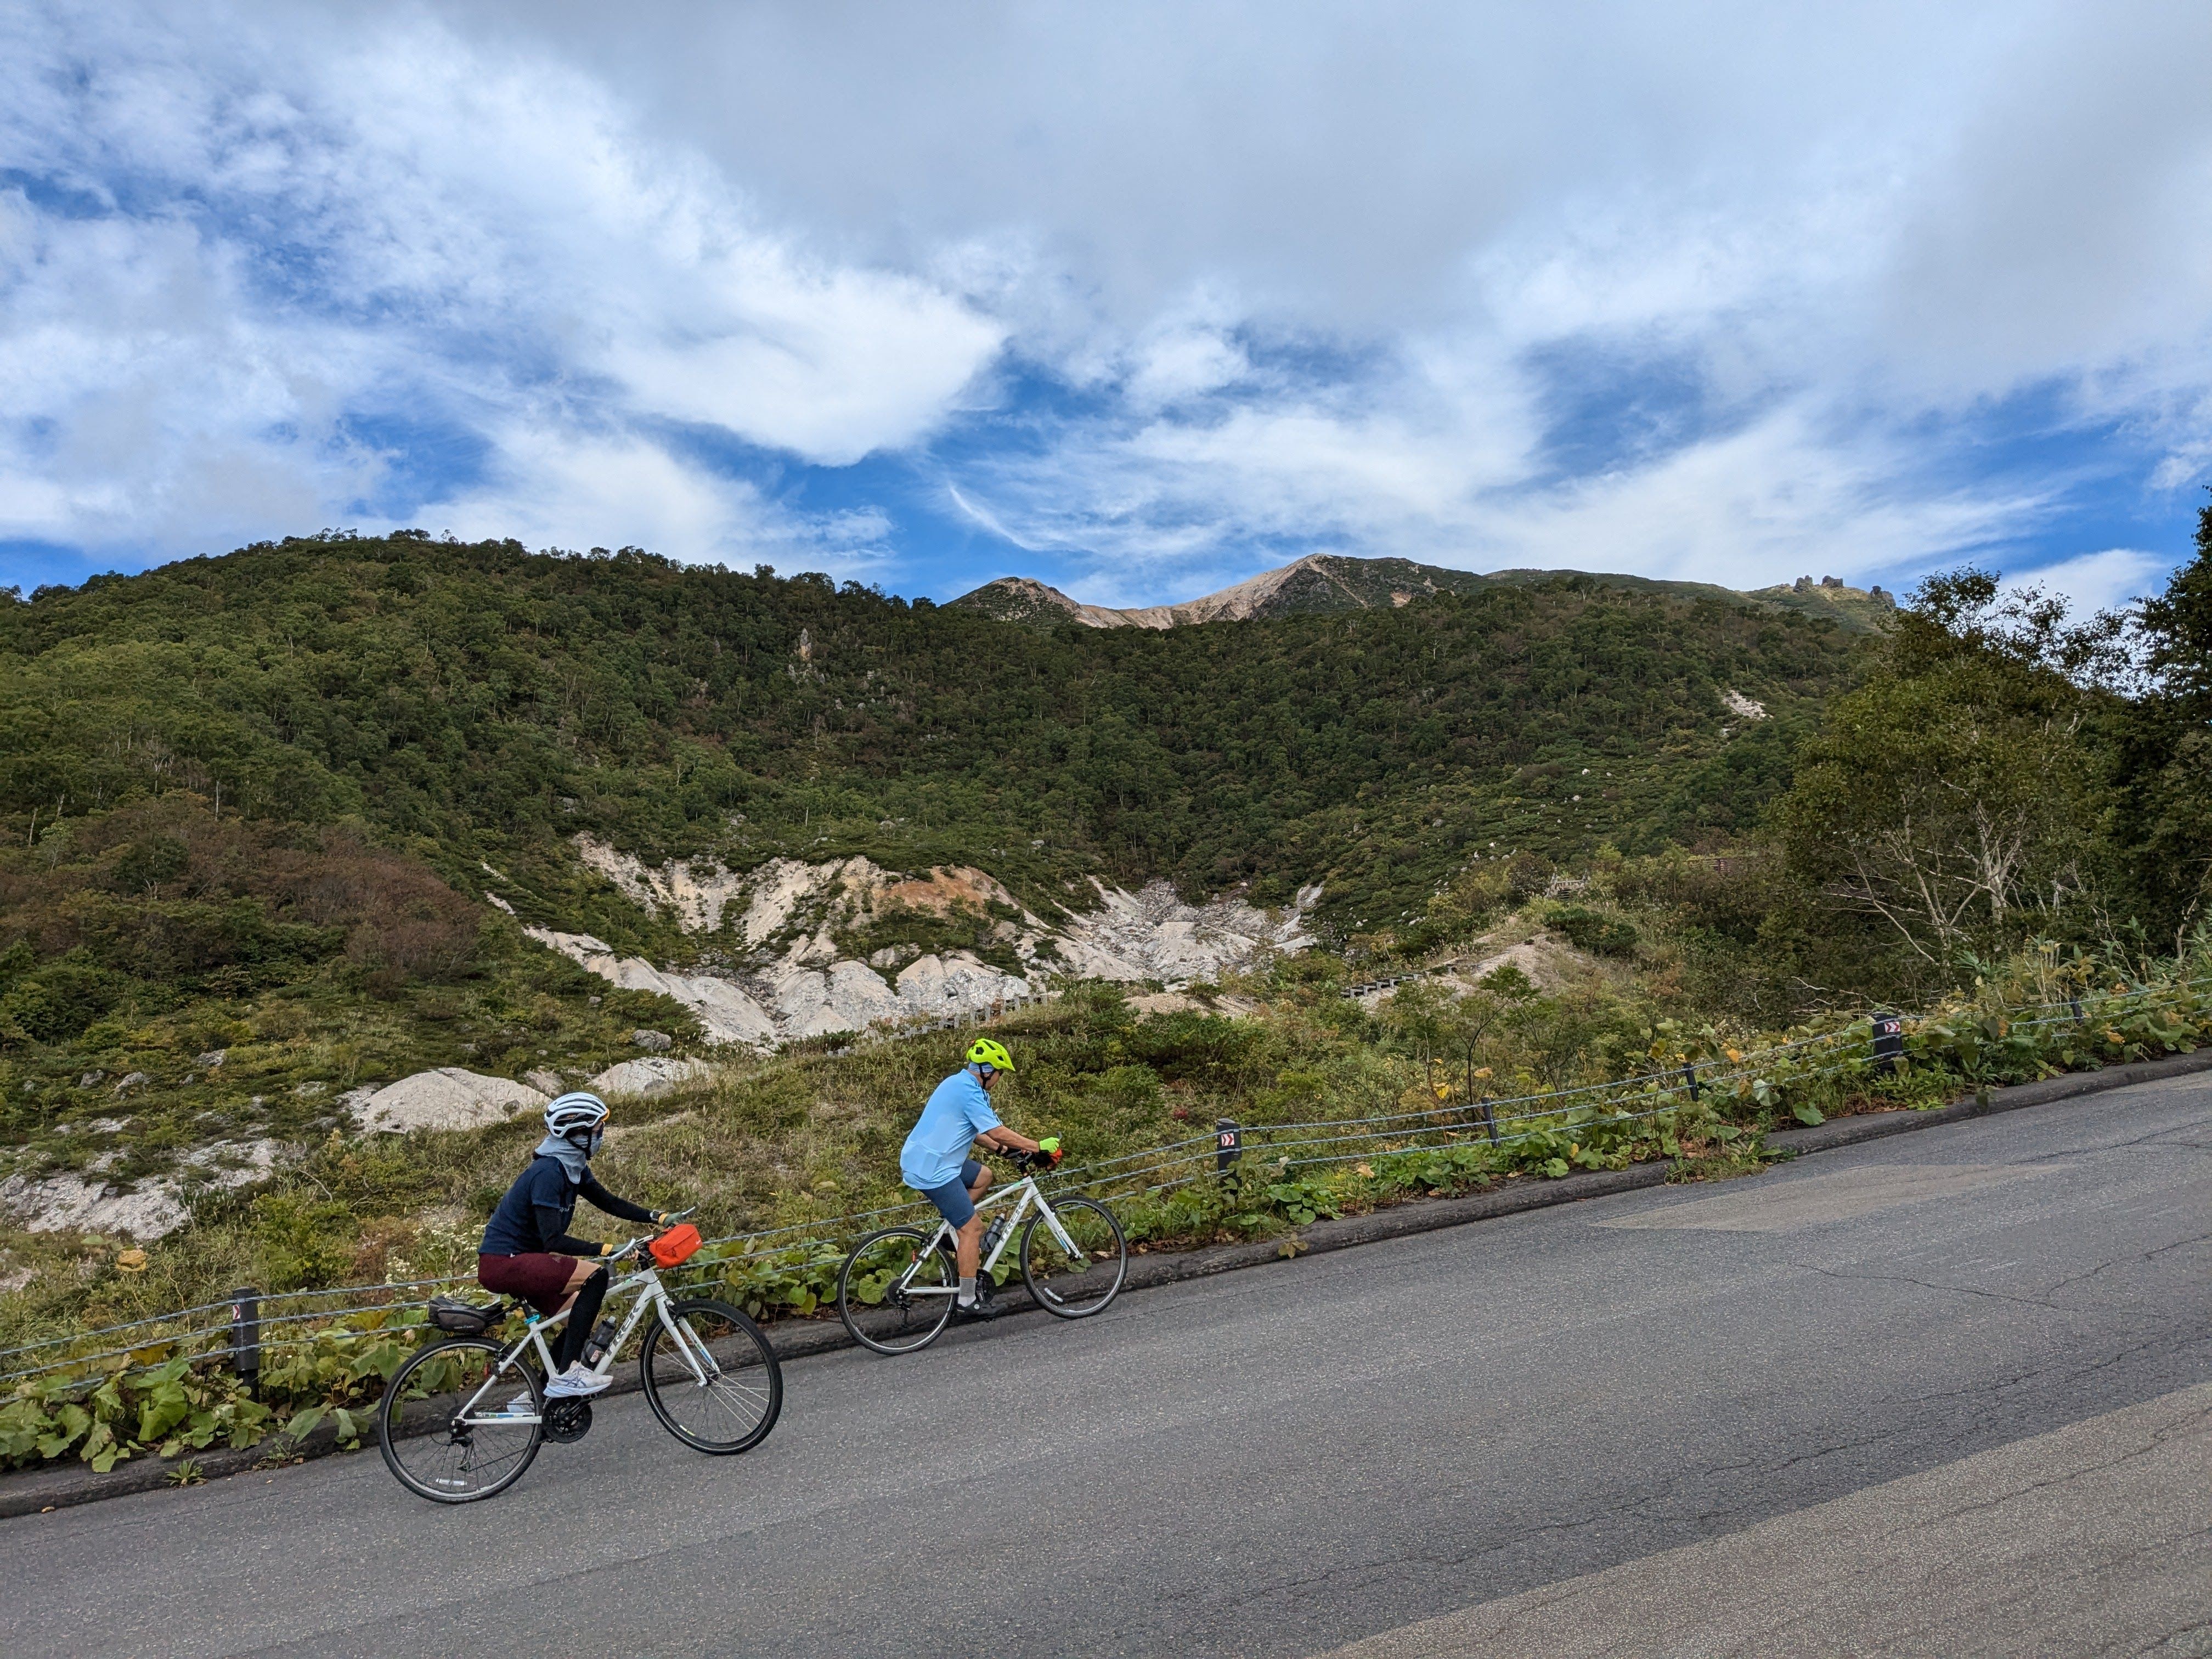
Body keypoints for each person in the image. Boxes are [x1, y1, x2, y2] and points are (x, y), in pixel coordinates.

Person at [478, 1092, 676, 1397]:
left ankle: (537, 1396)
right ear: (577, 1134)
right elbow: (553, 1241)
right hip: (505, 1262)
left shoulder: (571, 1166)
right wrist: (609, 1249)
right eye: (597, 1130)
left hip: (524, 1260)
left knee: (577, 1318)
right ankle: (569, 1375)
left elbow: (607, 1201)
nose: (601, 1136)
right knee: (596, 1277)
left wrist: (658, 1217)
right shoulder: (548, 1173)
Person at [899, 1037, 1052, 1319]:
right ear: (986, 1071)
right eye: (999, 1074)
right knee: (973, 1229)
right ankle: (967, 1300)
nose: (999, 1079)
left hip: (934, 1159)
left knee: (984, 1176)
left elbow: (979, 1131)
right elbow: (997, 1131)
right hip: (933, 1169)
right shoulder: (968, 1091)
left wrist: (1004, 1150)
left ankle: (950, 1230)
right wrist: (1037, 1146)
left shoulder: (960, 1084)